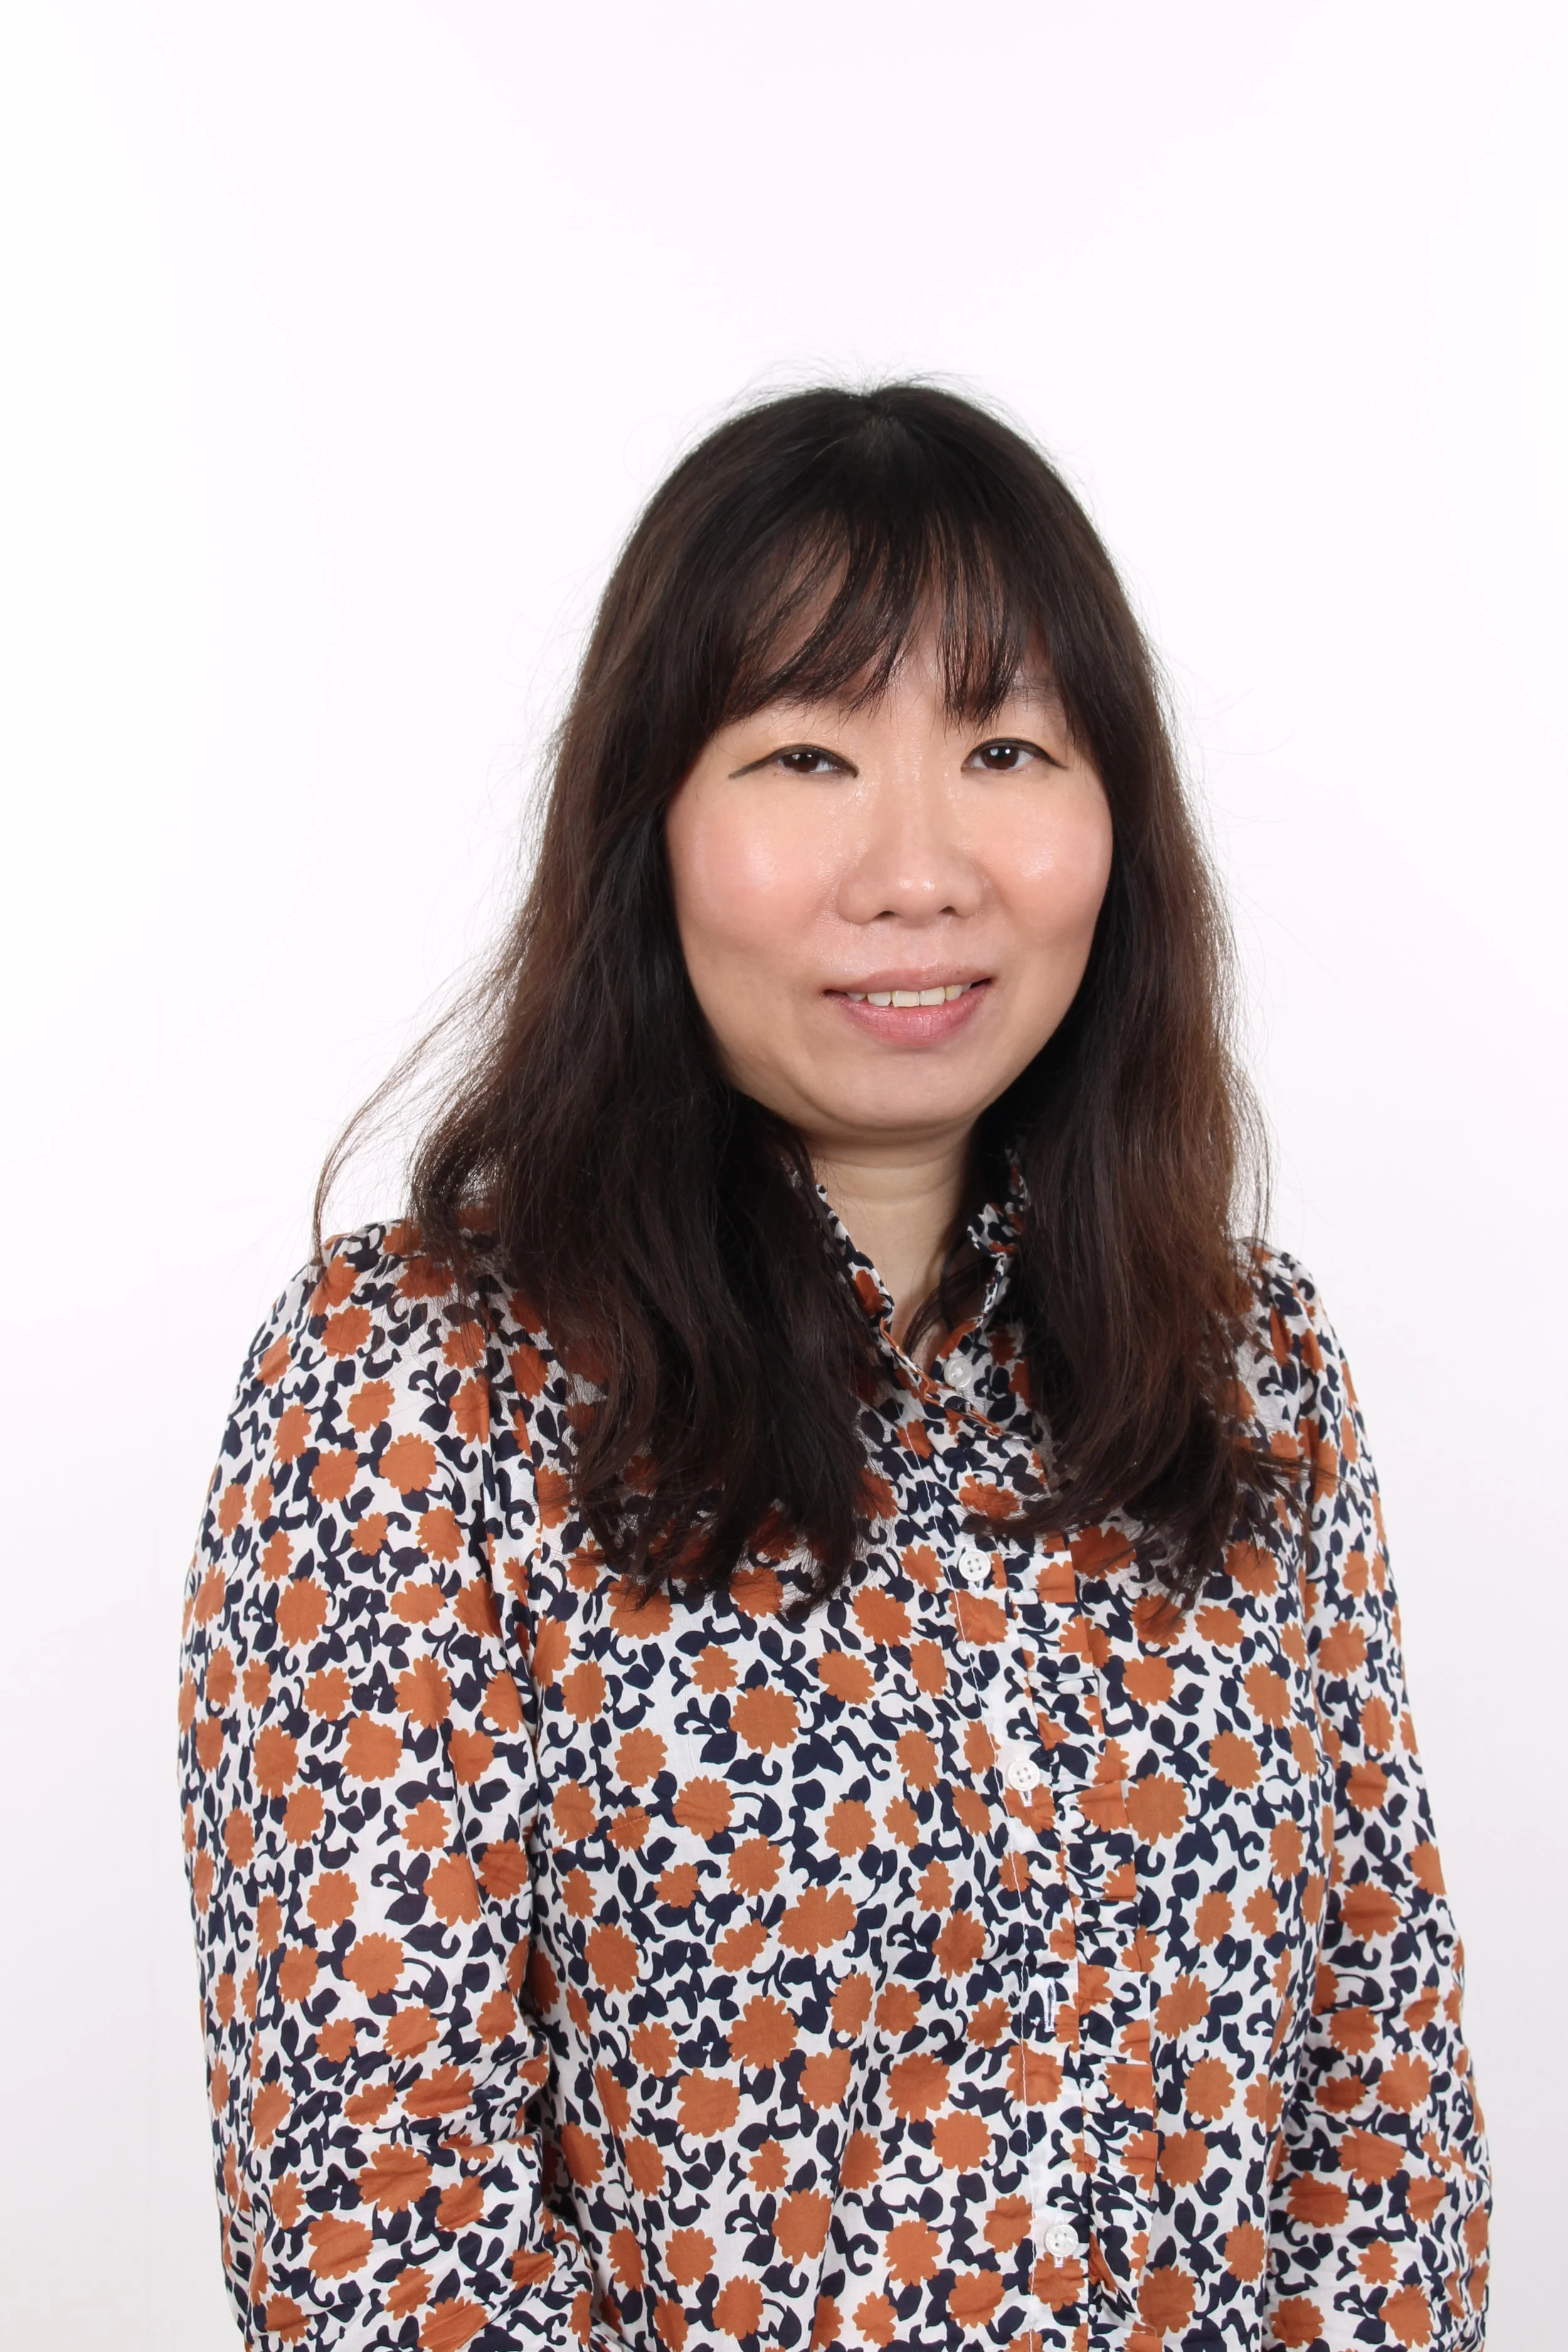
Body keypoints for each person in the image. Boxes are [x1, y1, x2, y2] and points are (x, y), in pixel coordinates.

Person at [179, 384, 1488, 2352]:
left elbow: (1383, 2113)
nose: (916, 866)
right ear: (648, 823)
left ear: (1116, 820)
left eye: (1003, 748)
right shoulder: (407, 1383)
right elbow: (376, 2235)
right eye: (804, 753)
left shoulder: (1248, 1362)